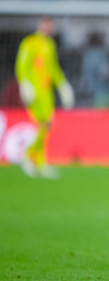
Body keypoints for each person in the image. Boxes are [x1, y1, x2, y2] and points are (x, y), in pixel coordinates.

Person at [15, 16, 74, 178]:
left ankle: (39, 162)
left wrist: (63, 86)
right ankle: (28, 155)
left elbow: (53, 68)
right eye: (46, 25)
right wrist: (24, 84)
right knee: (44, 125)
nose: (48, 28)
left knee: (46, 127)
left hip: (47, 92)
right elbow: (21, 64)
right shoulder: (29, 42)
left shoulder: (50, 44)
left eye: (50, 26)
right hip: (33, 92)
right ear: (40, 25)